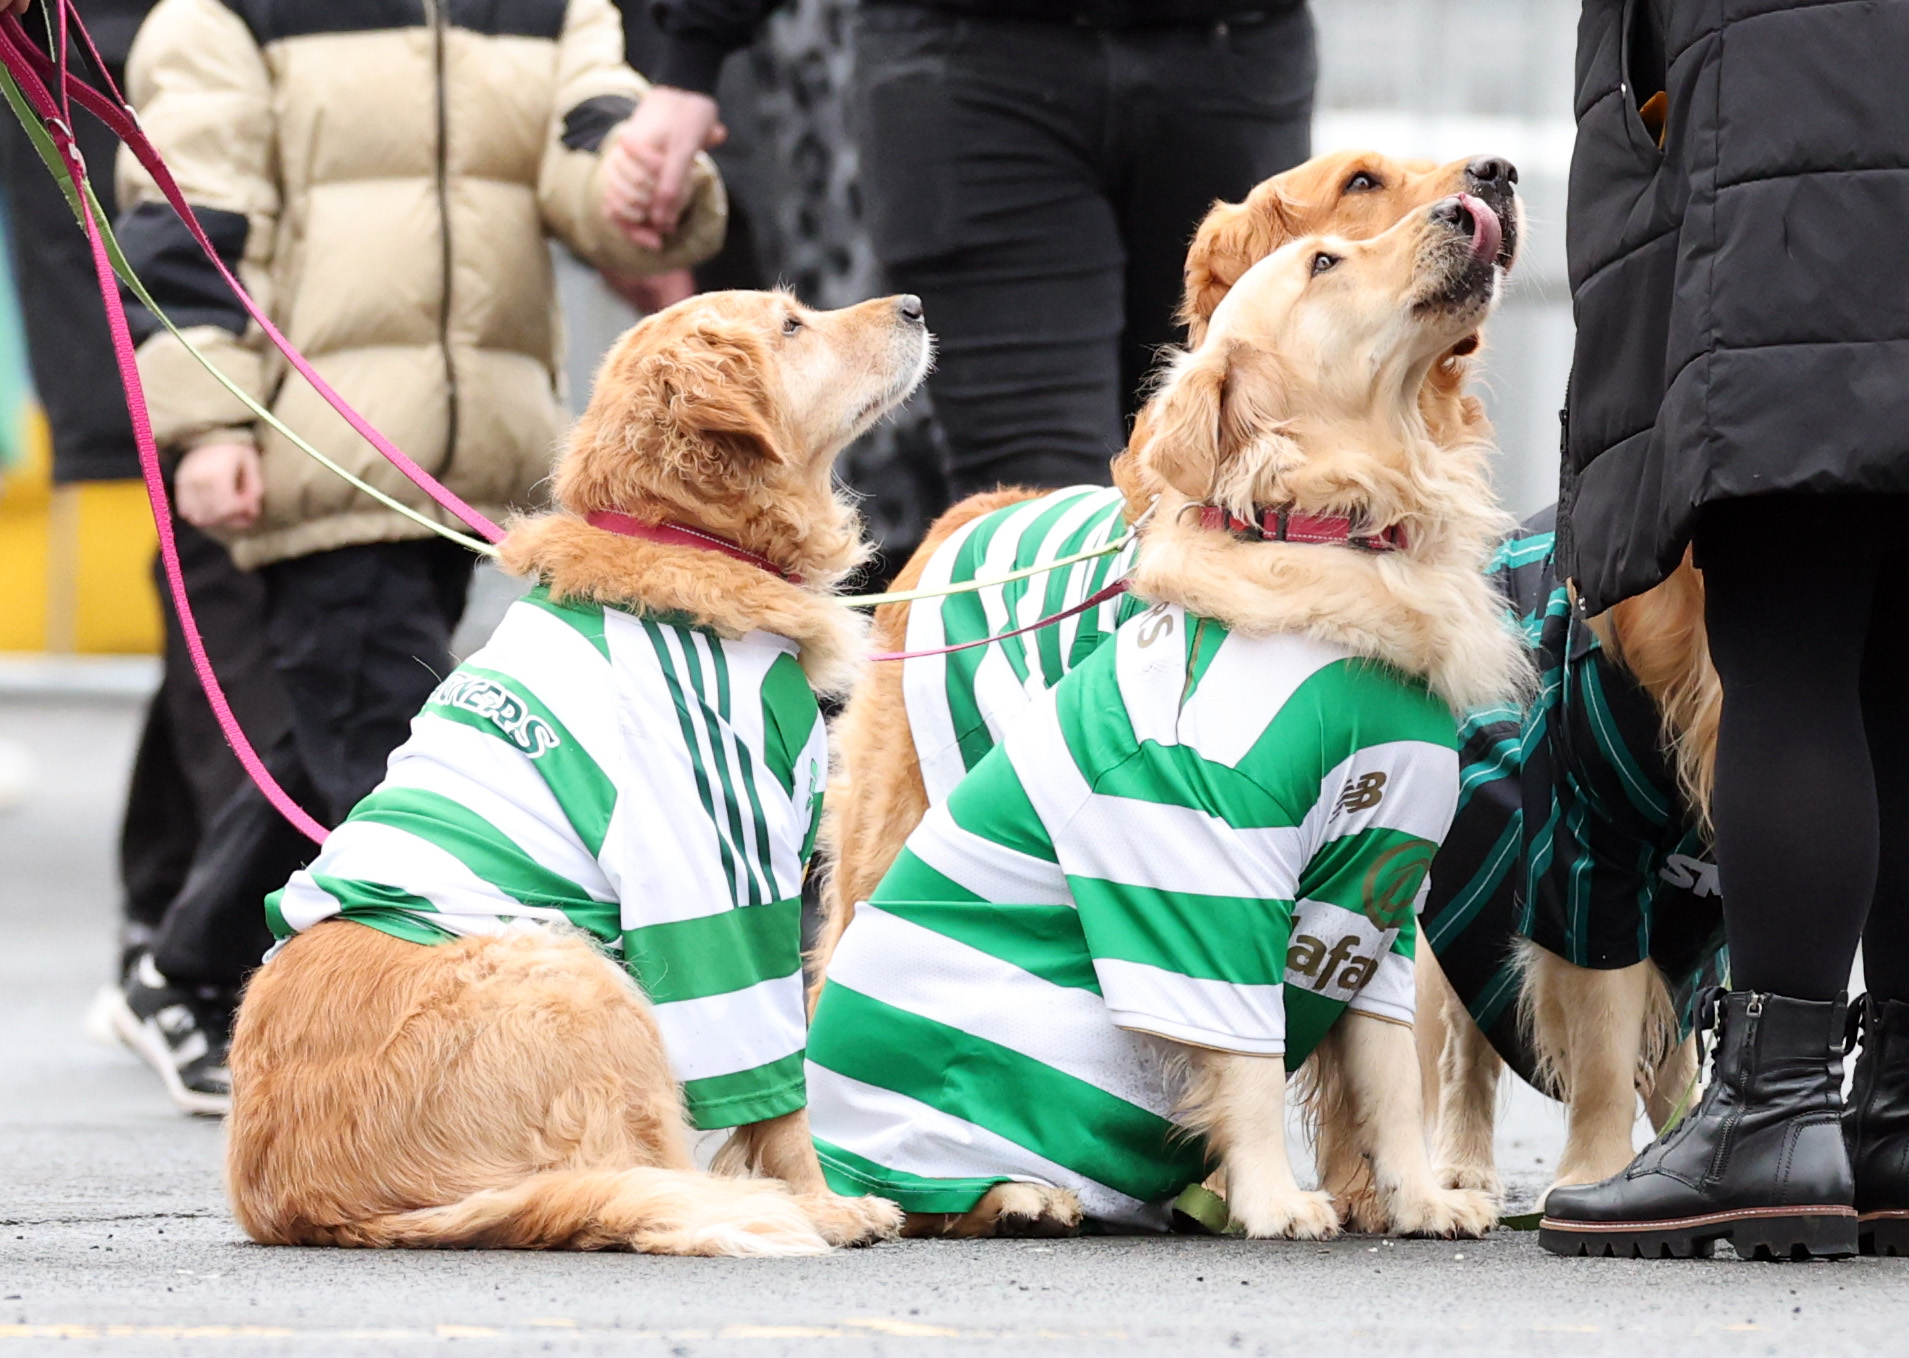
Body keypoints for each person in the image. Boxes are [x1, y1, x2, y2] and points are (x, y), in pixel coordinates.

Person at [99, 0, 726, 1115]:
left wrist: (644, 180)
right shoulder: (225, 14)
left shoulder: (548, 8)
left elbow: (590, 141)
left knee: (341, 725)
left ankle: (184, 967)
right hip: (318, 439)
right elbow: (188, 222)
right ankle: (417, 1031)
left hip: (462, 461)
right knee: (384, 745)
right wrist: (206, 421)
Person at [1540, 0, 1909, 1260]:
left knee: (1792, 652)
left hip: (1793, 166)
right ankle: (1902, 1111)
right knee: (1901, 662)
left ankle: (1771, 1107)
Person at [620, 0, 1315, 501]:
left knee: (1229, 450)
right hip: (966, 66)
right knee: (1036, 489)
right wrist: (691, 57)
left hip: (1232, 55)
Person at [0, 2, 295, 1056]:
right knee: (214, 515)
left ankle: (177, 916)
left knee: (242, 527)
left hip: (259, 75)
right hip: (96, 80)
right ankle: (217, 939)